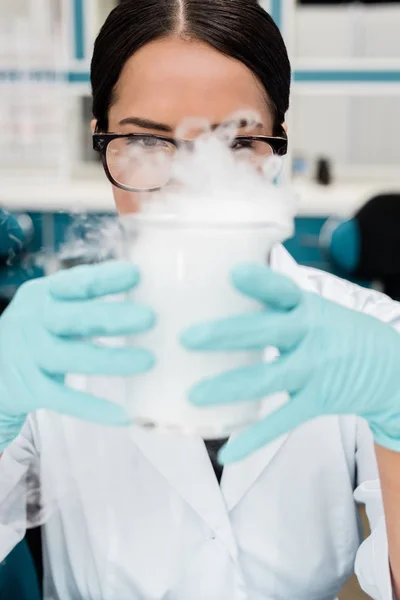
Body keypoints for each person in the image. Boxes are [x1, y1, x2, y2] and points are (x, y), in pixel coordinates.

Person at [1, 1, 400, 598]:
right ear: (99, 140)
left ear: (277, 147)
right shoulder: (45, 345)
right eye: (144, 141)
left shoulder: (371, 335)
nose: (188, 185)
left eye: (234, 144)